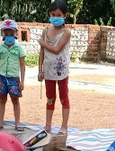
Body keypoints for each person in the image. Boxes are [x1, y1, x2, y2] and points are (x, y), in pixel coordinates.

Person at [38, 1, 71, 136]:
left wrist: (43, 43)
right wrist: (40, 70)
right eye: (53, 14)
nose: (55, 17)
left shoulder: (66, 32)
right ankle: (48, 124)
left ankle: (64, 125)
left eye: (58, 15)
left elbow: (57, 50)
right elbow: (42, 52)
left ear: (65, 15)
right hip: (48, 70)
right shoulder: (45, 31)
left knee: (64, 96)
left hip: (61, 71)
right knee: (50, 97)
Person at [0, 19, 26, 131]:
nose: (9, 36)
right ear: (2, 34)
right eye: (6, 34)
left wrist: (22, 81)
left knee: (15, 100)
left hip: (14, 78)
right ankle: (1, 123)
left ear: (15, 33)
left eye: (11, 33)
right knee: (2, 100)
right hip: (2, 78)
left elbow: (22, 65)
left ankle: (17, 123)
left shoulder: (19, 49)